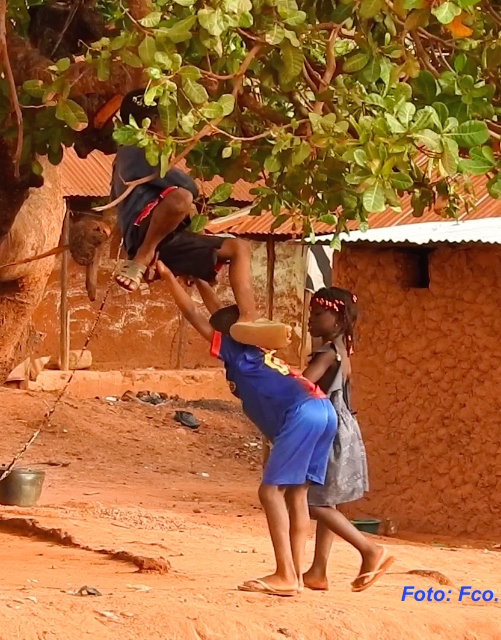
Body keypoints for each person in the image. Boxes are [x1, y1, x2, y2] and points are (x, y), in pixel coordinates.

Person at [157, 262, 336, 596]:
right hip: (322, 408)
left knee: (270, 492)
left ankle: (284, 574)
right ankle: (294, 574)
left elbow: (195, 315)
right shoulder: (255, 348)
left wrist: (169, 277)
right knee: (296, 495)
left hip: (300, 413)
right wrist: (198, 280)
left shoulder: (236, 353)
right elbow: (217, 312)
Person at [110, 90, 290, 351]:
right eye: (165, 120)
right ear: (150, 122)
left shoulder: (148, 153)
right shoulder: (133, 150)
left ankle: (248, 317)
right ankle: (142, 258)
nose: (169, 127)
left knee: (239, 247)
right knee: (181, 198)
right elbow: (187, 187)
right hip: (144, 233)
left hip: (170, 236)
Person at [302, 288, 394, 592]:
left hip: (328, 432)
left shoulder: (328, 353)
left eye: (317, 315)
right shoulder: (343, 351)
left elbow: (303, 386)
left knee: (313, 502)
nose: (309, 321)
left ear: (337, 317)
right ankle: (318, 571)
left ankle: (369, 550)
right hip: (344, 429)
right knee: (330, 500)